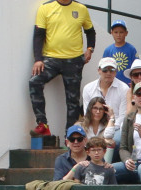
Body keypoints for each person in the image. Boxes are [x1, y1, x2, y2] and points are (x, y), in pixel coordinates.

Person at [29, 0, 95, 136]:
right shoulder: (45, 8)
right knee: (34, 81)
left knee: (73, 99)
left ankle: (70, 135)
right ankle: (42, 124)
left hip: (74, 60)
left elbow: (90, 32)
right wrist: (38, 60)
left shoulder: (81, 8)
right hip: (51, 59)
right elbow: (38, 35)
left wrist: (90, 49)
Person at [81, 56, 128, 144]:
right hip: (93, 127)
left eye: (112, 70)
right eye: (105, 70)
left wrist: (108, 130)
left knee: (114, 141)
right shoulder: (88, 88)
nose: (108, 73)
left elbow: (122, 117)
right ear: (99, 70)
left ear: (116, 72)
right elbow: (87, 114)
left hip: (115, 127)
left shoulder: (124, 88)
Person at [79, 97, 116, 162]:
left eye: (101, 109)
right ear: (90, 109)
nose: (98, 112)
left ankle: (104, 168)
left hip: (101, 159)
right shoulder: (81, 125)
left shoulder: (107, 125)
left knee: (109, 140)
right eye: (95, 108)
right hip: (84, 158)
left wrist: (112, 117)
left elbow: (109, 138)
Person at [102, 20, 138, 86]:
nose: (118, 35)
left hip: (128, 85)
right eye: (116, 32)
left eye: (121, 32)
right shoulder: (108, 50)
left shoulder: (131, 49)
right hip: (112, 85)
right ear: (111, 33)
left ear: (126, 33)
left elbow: (136, 68)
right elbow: (104, 69)